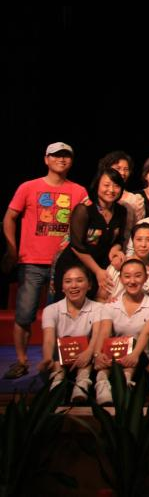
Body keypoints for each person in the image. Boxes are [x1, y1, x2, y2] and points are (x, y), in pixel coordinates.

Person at [4, 142, 88, 380]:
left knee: (62, 315)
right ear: (46, 159)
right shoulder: (29, 187)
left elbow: (88, 221)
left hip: (63, 264)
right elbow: (10, 217)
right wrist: (12, 249)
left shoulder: (79, 191)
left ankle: (58, 362)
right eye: (56, 155)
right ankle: (21, 361)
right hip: (31, 261)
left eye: (66, 156)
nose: (61, 159)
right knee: (24, 314)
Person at [95, 258, 149, 404]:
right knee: (105, 356)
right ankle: (102, 384)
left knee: (133, 343)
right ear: (120, 279)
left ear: (146, 278)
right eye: (127, 276)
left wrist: (135, 354)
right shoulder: (110, 306)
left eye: (138, 276)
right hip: (115, 357)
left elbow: (146, 333)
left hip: (141, 358)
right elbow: (105, 332)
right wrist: (98, 354)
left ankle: (125, 385)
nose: (132, 281)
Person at [53, 168, 127, 302]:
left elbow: (119, 239)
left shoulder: (121, 211)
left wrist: (116, 250)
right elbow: (76, 245)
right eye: (106, 185)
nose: (111, 190)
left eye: (116, 186)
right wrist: (97, 271)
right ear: (97, 185)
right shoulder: (84, 209)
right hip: (74, 266)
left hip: (101, 268)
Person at [38, 262, 105, 403]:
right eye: (68, 281)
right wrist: (47, 358)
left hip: (87, 360)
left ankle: (81, 387)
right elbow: (49, 339)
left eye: (79, 280)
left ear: (89, 285)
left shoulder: (99, 308)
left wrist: (88, 353)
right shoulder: (51, 310)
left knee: (93, 355)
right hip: (60, 361)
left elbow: (97, 335)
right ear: (62, 287)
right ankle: (56, 388)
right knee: (56, 363)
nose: (73, 286)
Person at [107, 222, 149, 300]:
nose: (143, 245)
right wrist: (107, 302)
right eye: (139, 239)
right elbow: (100, 297)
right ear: (132, 241)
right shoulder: (118, 264)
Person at [98, 150, 143, 236]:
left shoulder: (135, 200)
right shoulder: (94, 198)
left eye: (126, 169)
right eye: (118, 168)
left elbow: (138, 230)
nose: (122, 173)